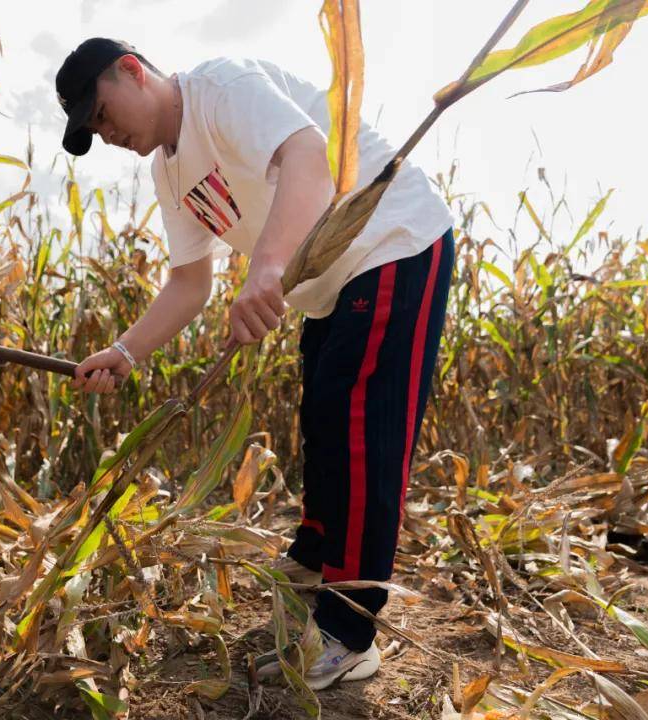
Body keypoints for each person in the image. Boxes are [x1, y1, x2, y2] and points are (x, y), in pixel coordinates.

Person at [55, 37, 454, 691]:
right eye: (93, 131)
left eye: (102, 114)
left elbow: (309, 159)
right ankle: (312, 579)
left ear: (132, 70)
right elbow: (190, 282)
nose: (107, 135)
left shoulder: (221, 88)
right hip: (330, 285)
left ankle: (350, 635)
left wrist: (266, 266)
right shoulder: (168, 171)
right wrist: (125, 353)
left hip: (392, 238)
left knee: (361, 438)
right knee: (323, 427)